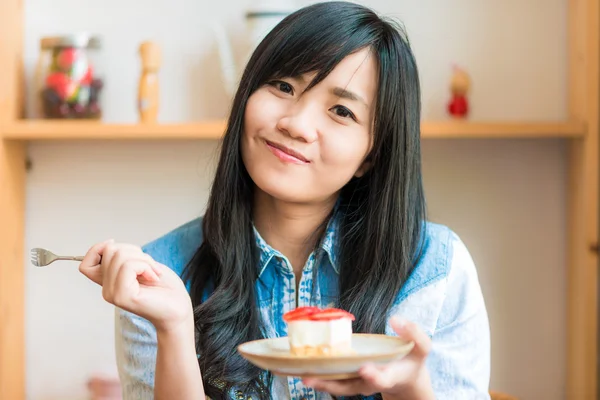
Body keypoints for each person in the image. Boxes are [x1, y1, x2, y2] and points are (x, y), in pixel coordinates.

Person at [78, 2, 491, 399]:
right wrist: (174, 328)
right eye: (283, 86)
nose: (296, 124)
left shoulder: (435, 270)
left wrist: (407, 389)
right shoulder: (158, 278)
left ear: (372, 155)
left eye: (342, 111)